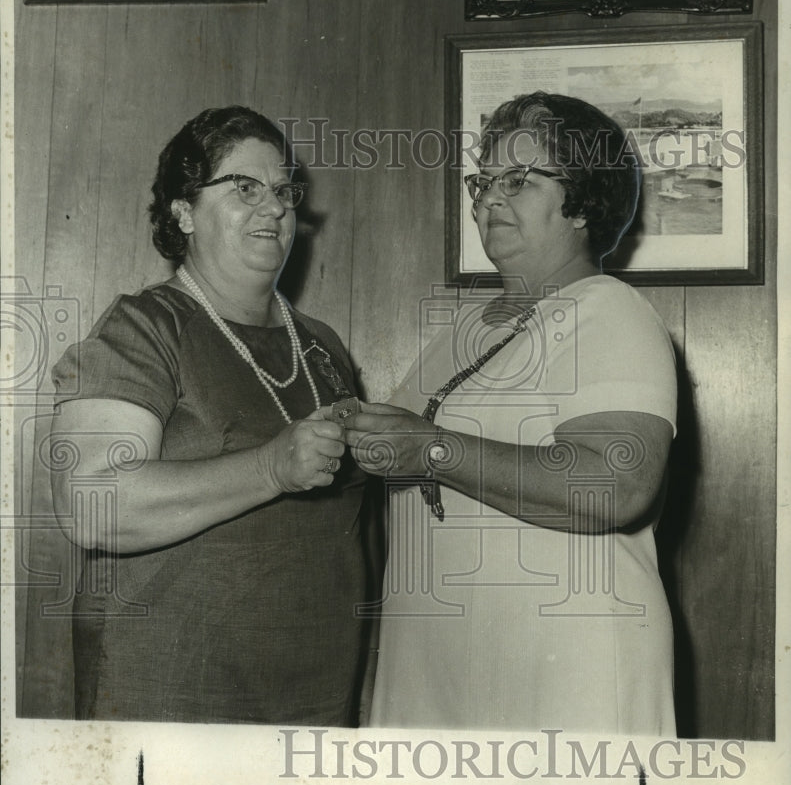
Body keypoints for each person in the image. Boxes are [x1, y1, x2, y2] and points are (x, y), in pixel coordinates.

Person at [346, 92, 678, 736]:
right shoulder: (463, 327)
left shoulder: (611, 310)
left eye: (517, 180)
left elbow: (616, 484)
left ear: (582, 201)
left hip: (567, 669)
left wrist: (432, 449)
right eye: (482, 180)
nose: (487, 198)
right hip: (438, 665)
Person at [49, 105, 369, 726]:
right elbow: (88, 502)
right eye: (244, 188)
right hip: (172, 693)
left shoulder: (323, 346)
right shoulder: (145, 327)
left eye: (282, 191)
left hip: (317, 696)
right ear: (184, 211)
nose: (274, 207)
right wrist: (272, 467)